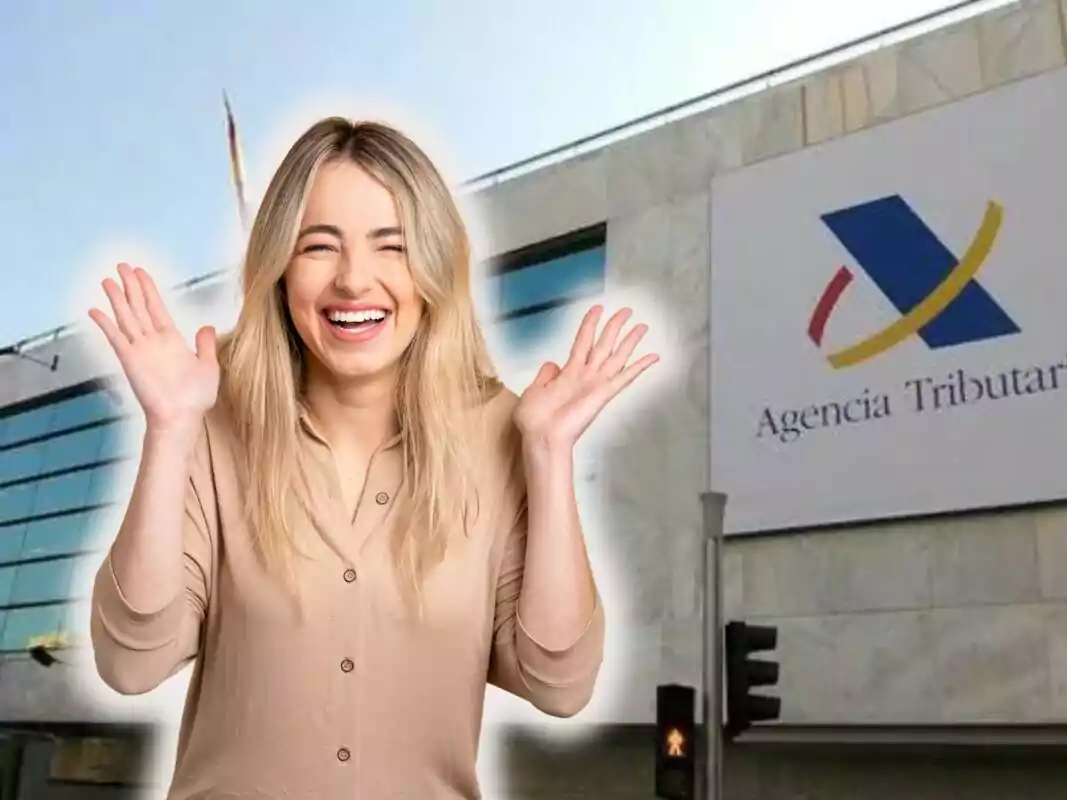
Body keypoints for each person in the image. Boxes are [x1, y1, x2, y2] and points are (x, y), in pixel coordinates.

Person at [85, 116, 658, 799]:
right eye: (319, 247)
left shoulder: (501, 430)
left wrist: (549, 453)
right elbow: (130, 664)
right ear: (278, 270)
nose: (354, 281)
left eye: (393, 247)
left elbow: (559, 684)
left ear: (434, 268)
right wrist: (170, 431)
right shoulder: (214, 422)